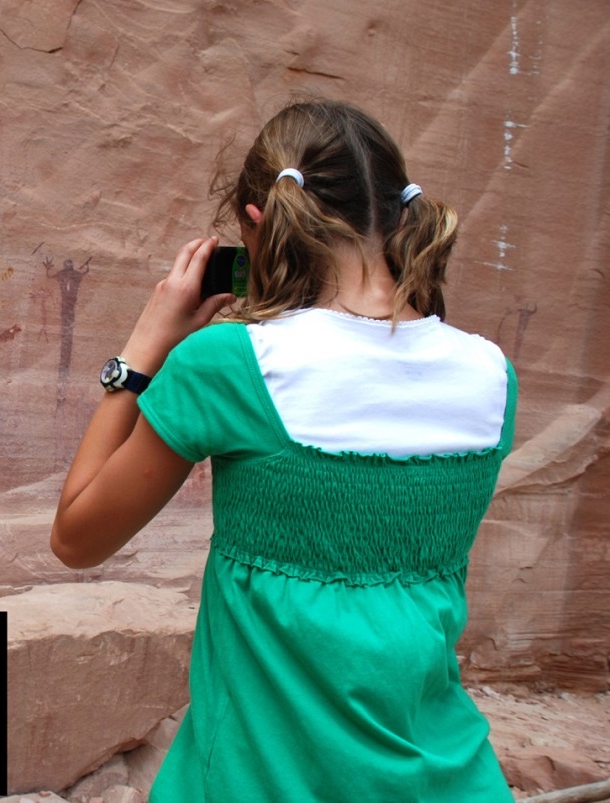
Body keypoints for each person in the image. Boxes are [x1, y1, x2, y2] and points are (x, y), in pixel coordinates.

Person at [50, 99, 516, 801]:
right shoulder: (491, 376)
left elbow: (77, 536)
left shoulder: (232, 364)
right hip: (452, 779)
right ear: (398, 218)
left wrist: (142, 350)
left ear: (259, 223)